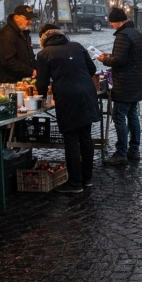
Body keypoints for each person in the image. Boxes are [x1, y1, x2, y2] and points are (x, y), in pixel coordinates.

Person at [35, 24, 101, 193]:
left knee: (71, 139)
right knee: (85, 137)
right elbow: (92, 69)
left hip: (67, 98)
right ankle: (87, 179)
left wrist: (42, 97)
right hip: (87, 93)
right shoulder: (77, 46)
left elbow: (41, 83)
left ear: (43, 40)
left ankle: (75, 183)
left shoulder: (44, 54)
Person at [99, 7, 142, 165]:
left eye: (112, 23)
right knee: (133, 115)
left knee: (119, 116)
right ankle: (134, 150)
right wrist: (111, 55)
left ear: (118, 22)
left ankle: (121, 153)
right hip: (137, 81)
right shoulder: (137, 33)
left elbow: (120, 61)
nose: (111, 26)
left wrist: (104, 60)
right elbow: (129, 56)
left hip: (124, 83)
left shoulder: (122, 36)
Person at [0, 5, 37, 83]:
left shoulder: (25, 33)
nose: (31, 22)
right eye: (27, 19)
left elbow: (30, 56)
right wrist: (30, 71)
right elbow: (8, 61)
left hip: (24, 80)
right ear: (17, 18)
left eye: (31, 19)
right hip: (9, 82)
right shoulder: (6, 34)